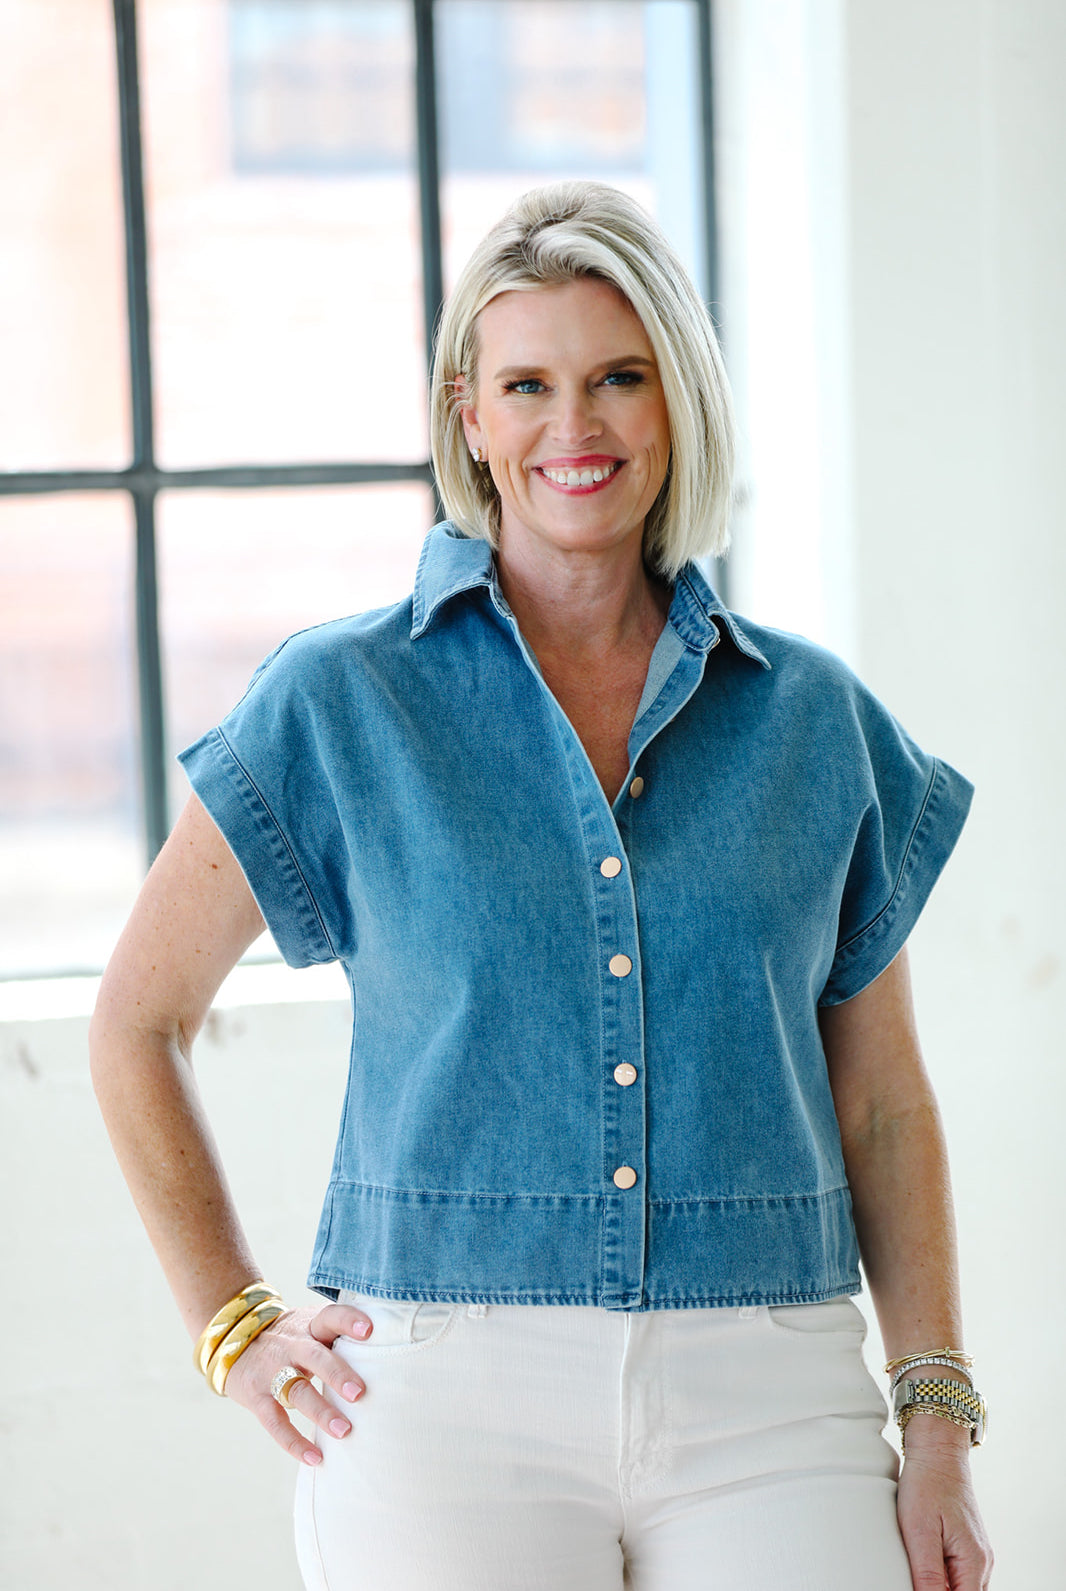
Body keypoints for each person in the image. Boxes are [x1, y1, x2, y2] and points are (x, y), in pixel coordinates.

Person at [90, 180, 993, 1590]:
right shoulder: (341, 699)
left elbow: (881, 1105)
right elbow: (135, 1021)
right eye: (527, 383)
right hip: (440, 1391)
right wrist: (232, 1325)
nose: (573, 428)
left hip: (769, 1386)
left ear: (676, 400)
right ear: (469, 413)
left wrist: (934, 1415)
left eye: (618, 377)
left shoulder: (812, 721)